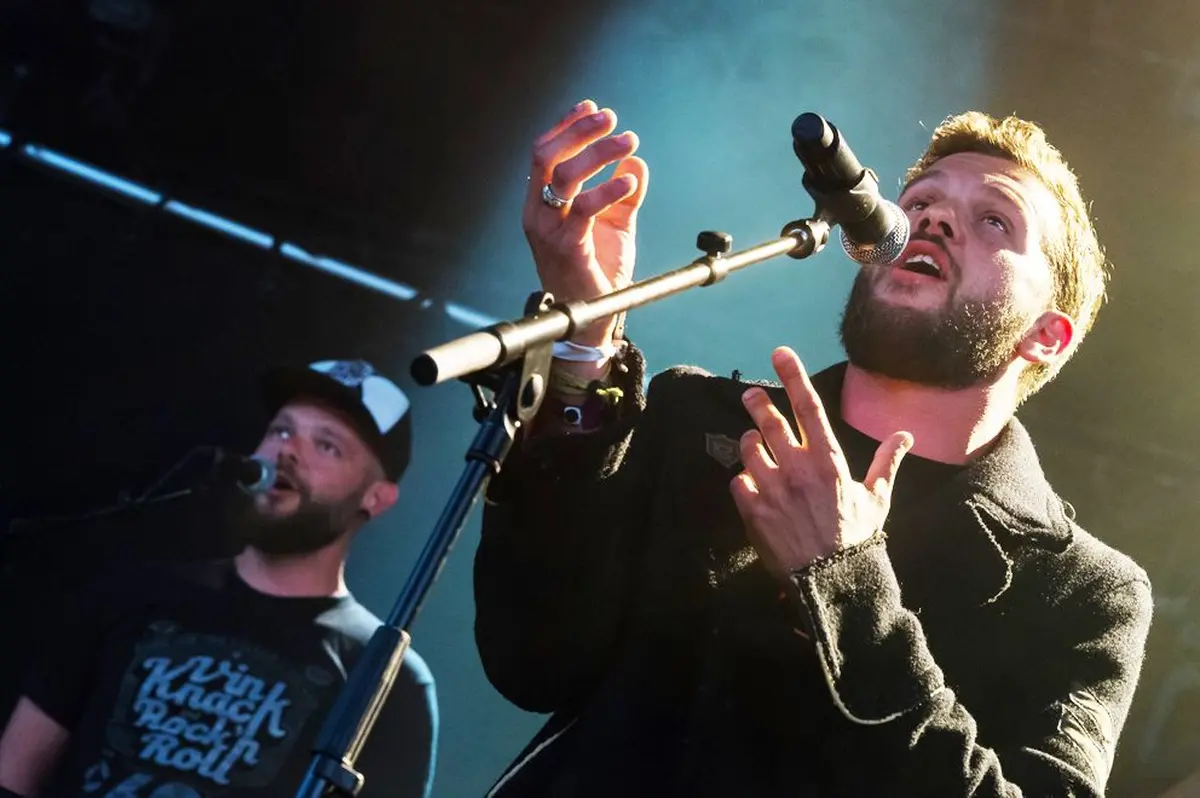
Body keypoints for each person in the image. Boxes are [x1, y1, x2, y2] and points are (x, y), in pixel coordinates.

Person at [473, 100, 1153, 796]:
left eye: (995, 220)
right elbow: (530, 657)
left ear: (1045, 334)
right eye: (919, 202)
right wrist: (585, 349)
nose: (934, 219)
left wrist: (844, 583)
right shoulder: (697, 422)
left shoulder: (1085, 593)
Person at [0, 359, 438, 797]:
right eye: (281, 430)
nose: (288, 450)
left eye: (327, 445)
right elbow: (13, 773)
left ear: (376, 497)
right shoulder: (127, 596)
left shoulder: (385, 679)